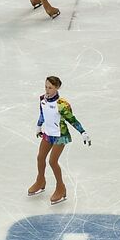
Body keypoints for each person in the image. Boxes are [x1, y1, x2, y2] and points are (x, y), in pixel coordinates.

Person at [29, 75, 90, 205]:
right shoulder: (42, 100)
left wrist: (82, 132)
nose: (47, 90)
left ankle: (61, 188)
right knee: (40, 157)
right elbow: (42, 114)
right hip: (48, 134)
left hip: (60, 136)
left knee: (52, 161)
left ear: (57, 88)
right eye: (46, 86)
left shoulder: (62, 105)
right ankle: (40, 181)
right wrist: (39, 126)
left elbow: (72, 120)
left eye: (50, 87)